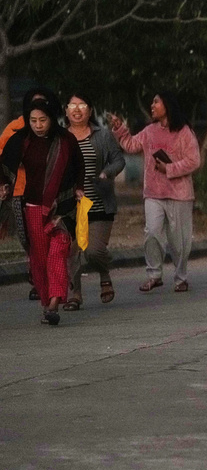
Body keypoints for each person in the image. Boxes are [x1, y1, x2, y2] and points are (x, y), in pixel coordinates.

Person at [0, 98, 84, 325]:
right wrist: (4, 184)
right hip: (34, 207)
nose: (38, 125)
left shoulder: (66, 140)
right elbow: (3, 164)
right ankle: (47, 303)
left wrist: (79, 187)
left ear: (52, 119)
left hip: (63, 207)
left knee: (57, 252)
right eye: (33, 120)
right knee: (39, 257)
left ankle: (55, 302)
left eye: (43, 120)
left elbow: (79, 165)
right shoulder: (22, 140)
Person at [109, 92, 201, 293]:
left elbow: (194, 161)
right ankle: (154, 275)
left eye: (156, 102)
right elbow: (131, 145)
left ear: (167, 105)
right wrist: (119, 129)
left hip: (179, 194)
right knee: (152, 232)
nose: (152, 105)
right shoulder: (150, 130)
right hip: (153, 193)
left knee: (179, 240)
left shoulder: (185, 132)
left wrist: (169, 168)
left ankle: (181, 278)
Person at [64, 93, 126, 310]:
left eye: (82, 105)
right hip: (71, 206)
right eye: (72, 105)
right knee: (71, 251)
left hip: (99, 203)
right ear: (66, 111)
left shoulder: (102, 135)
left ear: (90, 111)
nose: (77, 109)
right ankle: (75, 294)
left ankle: (104, 271)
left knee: (93, 251)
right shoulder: (60, 138)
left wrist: (106, 173)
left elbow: (118, 160)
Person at [0, 87, 60, 301]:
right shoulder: (15, 128)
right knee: (27, 238)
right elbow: (2, 157)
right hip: (19, 192)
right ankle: (37, 273)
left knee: (47, 236)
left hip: (49, 192)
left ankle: (46, 278)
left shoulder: (57, 132)